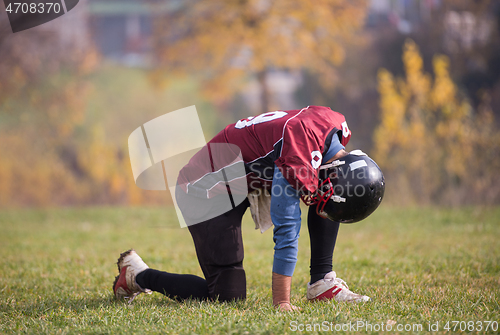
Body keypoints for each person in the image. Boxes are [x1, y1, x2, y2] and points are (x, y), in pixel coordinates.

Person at [113, 105, 384, 311]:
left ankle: (321, 282)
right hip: (204, 188)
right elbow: (287, 227)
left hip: (247, 177)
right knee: (226, 296)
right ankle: (138, 274)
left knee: (328, 191)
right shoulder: (299, 150)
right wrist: (282, 301)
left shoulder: (334, 130)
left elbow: (324, 182)